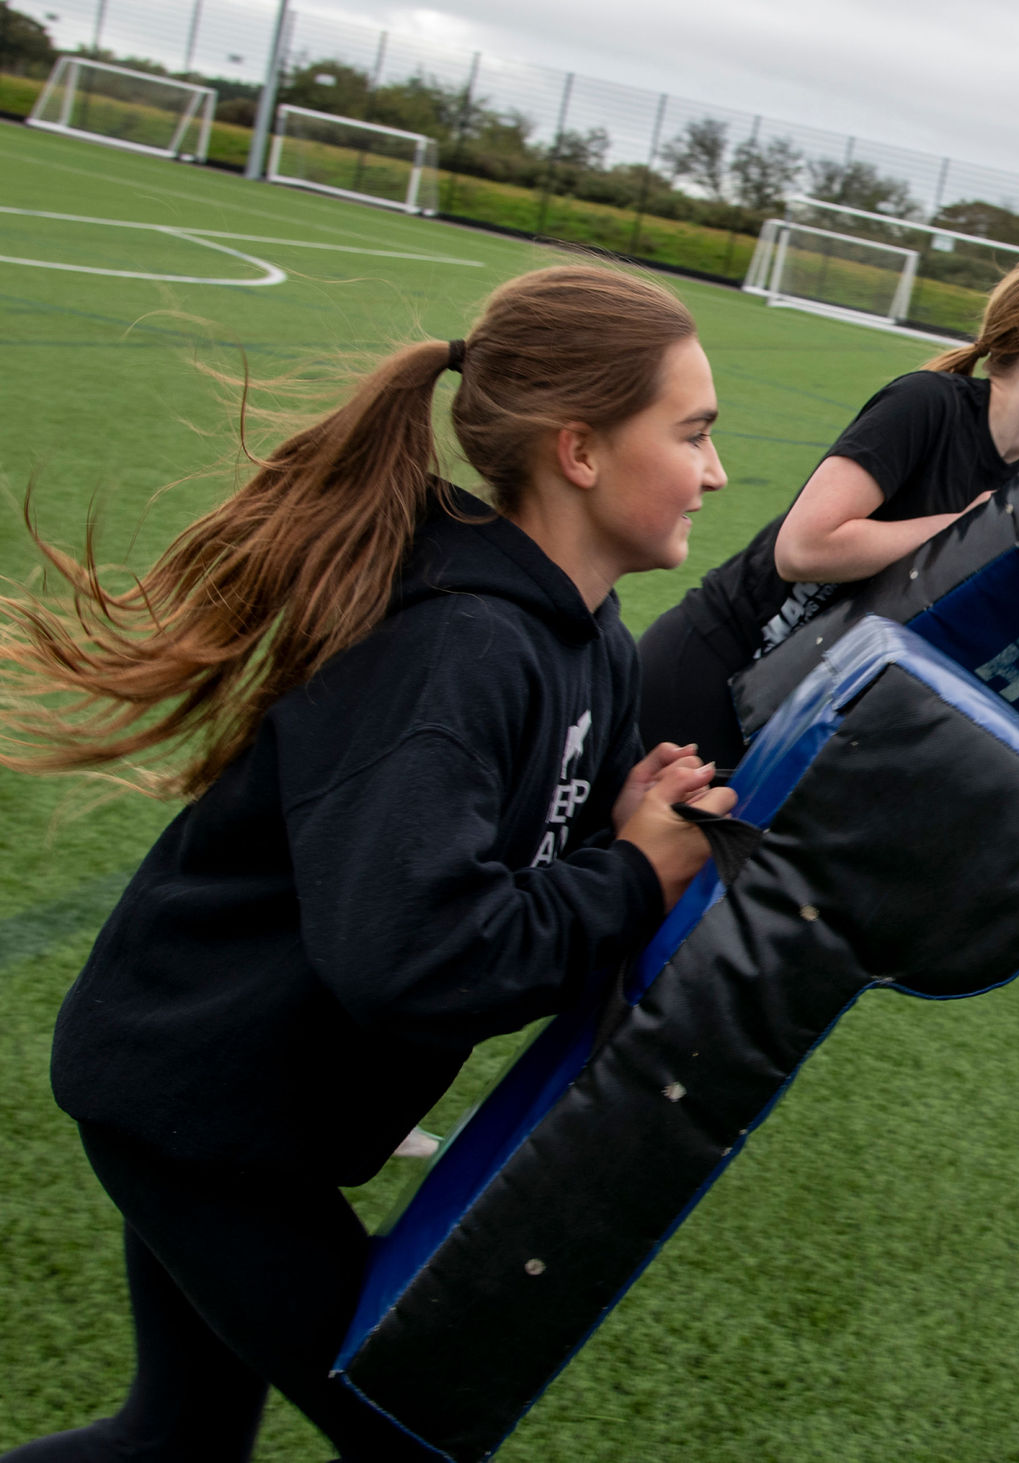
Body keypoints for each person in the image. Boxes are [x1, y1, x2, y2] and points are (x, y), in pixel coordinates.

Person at [0, 264, 736, 1462]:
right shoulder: (457, 647)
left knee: (175, 1439)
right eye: (693, 432)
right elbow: (412, 950)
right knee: (411, 1434)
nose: (712, 469)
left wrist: (622, 830)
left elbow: (506, 855)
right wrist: (627, 876)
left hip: (257, 1109)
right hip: (195, 1108)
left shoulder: (591, 638)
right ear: (580, 451)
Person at [637, 257, 1019, 796]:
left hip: (791, 709)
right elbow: (803, 548)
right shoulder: (928, 405)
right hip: (713, 669)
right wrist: (963, 527)